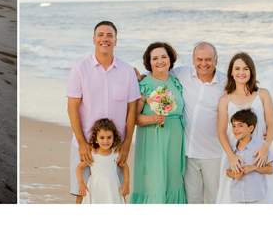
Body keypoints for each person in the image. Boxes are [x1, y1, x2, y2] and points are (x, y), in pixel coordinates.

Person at [66, 21, 139, 203]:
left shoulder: (127, 71)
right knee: (82, 195)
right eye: (100, 34)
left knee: (115, 196)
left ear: (116, 40)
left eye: (109, 35)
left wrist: (127, 143)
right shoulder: (80, 69)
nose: (105, 38)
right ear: (93, 39)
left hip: (115, 147)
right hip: (85, 146)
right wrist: (82, 142)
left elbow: (132, 109)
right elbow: (72, 107)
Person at [216, 52, 273, 203]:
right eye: (237, 69)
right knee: (229, 199)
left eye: (245, 68)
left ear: (251, 71)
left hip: (259, 155)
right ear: (231, 72)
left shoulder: (262, 94)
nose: (241, 72)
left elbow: (272, 125)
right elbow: (221, 132)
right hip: (234, 155)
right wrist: (231, 156)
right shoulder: (225, 100)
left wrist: (265, 148)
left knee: (264, 197)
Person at [130, 42, 187, 204]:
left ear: (170, 59)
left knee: (173, 181)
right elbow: (134, 118)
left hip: (175, 139)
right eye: (155, 58)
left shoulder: (176, 83)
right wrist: (153, 118)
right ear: (149, 62)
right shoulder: (144, 85)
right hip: (152, 140)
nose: (160, 61)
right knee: (153, 182)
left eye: (163, 57)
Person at [171, 42, 225, 203]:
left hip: (214, 154)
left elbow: (243, 102)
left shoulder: (226, 83)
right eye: (199, 59)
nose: (203, 64)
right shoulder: (181, 73)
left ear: (216, 60)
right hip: (188, 153)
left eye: (208, 59)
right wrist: (136, 76)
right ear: (193, 60)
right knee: (192, 199)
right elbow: (158, 74)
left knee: (214, 199)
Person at [225, 109, 273, 203]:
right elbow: (228, 171)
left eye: (240, 125)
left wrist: (253, 168)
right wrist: (235, 175)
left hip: (255, 196)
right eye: (234, 126)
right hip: (237, 196)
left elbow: (270, 169)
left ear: (250, 128)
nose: (236, 129)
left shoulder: (261, 147)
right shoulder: (232, 149)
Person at [76, 118, 129, 204]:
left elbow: (125, 167)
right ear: (96, 139)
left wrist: (126, 184)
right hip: (95, 188)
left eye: (109, 137)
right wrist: (81, 183)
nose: (106, 141)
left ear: (113, 138)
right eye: (102, 138)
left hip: (112, 188)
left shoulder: (115, 153)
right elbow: (79, 167)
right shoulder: (93, 154)